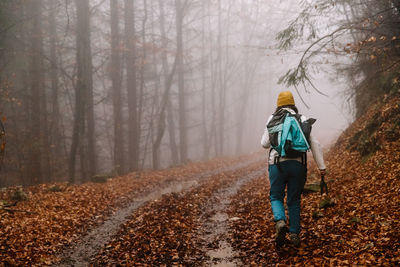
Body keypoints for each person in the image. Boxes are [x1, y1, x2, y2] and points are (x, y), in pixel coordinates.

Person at [260, 91, 326, 247]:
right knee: (294, 199)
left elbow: (264, 144)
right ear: (292, 104)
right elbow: (314, 144)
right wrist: (322, 167)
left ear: (278, 104)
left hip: (277, 163)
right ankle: (295, 233)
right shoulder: (301, 119)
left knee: (276, 196)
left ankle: (281, 221)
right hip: (298, 164)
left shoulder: (272, 118)